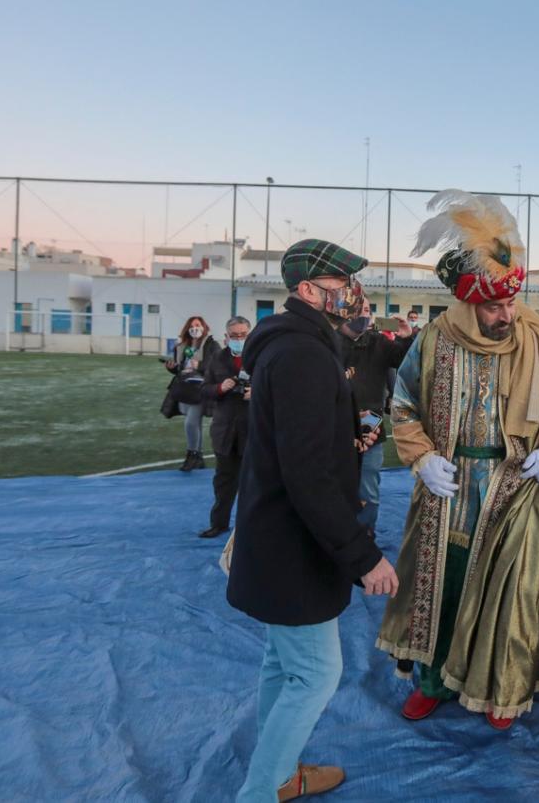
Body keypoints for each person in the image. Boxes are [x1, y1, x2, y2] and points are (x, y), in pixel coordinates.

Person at [376, 188, 539, 730]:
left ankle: (501, 688)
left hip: (518, 482)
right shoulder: (432, 340)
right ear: (467, 304)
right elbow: (402, 404)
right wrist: (423, 459)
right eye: (494, 306)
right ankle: (434, 682)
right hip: (449, 485)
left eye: (509, 303)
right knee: (441, 583)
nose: (506, 314)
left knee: (512, 591)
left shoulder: (536, 334)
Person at [226, 238, 398, 803]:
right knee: (316, 675)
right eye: (341, 288)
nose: (353, 296)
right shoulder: (302, 353)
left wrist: (346, 440)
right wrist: (362, 555)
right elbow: (306, 478)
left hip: (277, 538)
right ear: (307, 292)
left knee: (283, 666)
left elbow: (298, 446)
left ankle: (279, 773)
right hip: (292, 547)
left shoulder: (300, 344)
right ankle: (260, 791)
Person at [339, 289, 414, 537]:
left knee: (368, 489)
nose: (364, 315)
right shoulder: (327, 342)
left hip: (370, 429)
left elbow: (405, 362)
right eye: (359, 309)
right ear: (343, 311)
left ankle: (365, 536)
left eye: (368, 310)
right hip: (332, 427)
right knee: (332, 487)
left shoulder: (378, 342)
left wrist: (406, 338)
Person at [197, 316, 252, 539]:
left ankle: (250, 528)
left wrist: (257, 393)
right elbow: (204, 389)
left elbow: (278, 387)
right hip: (225, 431)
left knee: (254, 484)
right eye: (234, 336)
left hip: (253, 431)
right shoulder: (217, 358)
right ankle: (219, 524)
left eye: (243, 335)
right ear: (226, 337)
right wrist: (220, 387)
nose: (239, 339)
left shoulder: (261, 356)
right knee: (224, 483)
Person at [166, 315, 220, 471]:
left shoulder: (212, 345)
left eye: (198, 325)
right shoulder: (182, 346)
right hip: (185, 389)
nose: (195, 328)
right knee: (193, 423)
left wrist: (200, 365)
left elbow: (216, 365)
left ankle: (192, 454)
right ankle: (198, 457)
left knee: (190, 422)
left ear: (204, 327)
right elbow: (181, 368)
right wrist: (172, 368)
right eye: (191, 325)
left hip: (202, 389)